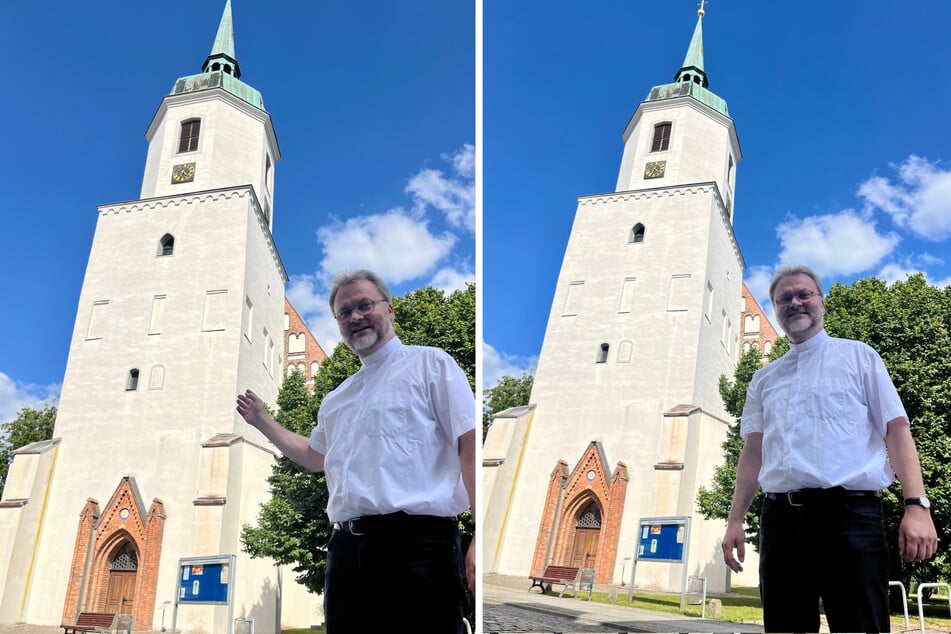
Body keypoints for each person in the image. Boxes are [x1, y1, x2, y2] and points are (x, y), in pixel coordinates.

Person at [236, 269, 476, 633]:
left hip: (418, 546)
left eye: (364, 305)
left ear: (390, 310)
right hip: (346, 551)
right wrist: (262, 421)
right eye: (344, 313)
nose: (355, 317)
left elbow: (469, 445)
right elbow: (314, 458)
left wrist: (481, 537)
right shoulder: (337, 399)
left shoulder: (432, 364)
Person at [721, 264, 937, 633]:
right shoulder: (762, 380)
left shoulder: (860, 357)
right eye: (784, 298)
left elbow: (897, 430)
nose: (795, 302)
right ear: (776, 309)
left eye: (804, 294)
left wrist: (916, 505)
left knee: (860, 626)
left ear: (821, 302)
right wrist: (735, 519)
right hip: (782, 523)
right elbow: (752, 453)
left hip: (851, 517)